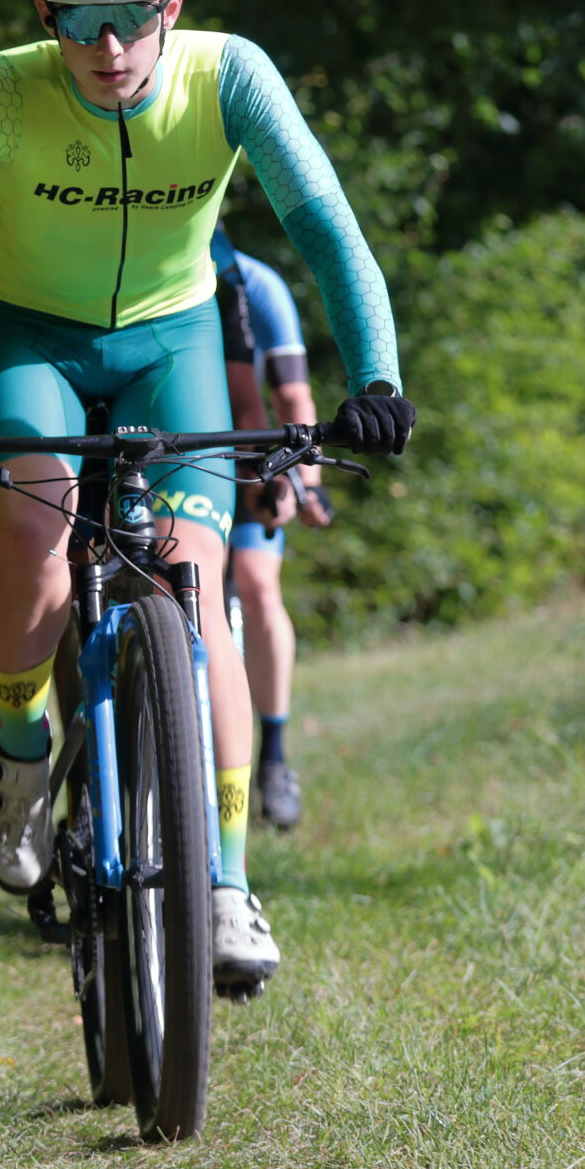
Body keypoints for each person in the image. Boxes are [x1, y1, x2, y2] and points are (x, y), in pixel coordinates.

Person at [0, 0, 412, 995]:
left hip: (170, 341)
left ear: (172, 5)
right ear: (43, 15)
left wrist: (377, 376)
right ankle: (22, 742)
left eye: (133, 14)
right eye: (79, 19)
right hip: (30, 341)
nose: (108, 46)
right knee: (36, 547)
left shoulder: (230, 76)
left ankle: (225, 881)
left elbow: (327, 227)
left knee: (198, 584)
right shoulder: (3, 90)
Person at [214, 231, 332, 832]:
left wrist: (304, 483)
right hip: (159, 446)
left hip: (246, 447)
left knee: (258, 584)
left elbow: (290, 394)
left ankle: (275, 758)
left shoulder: (258, 287)